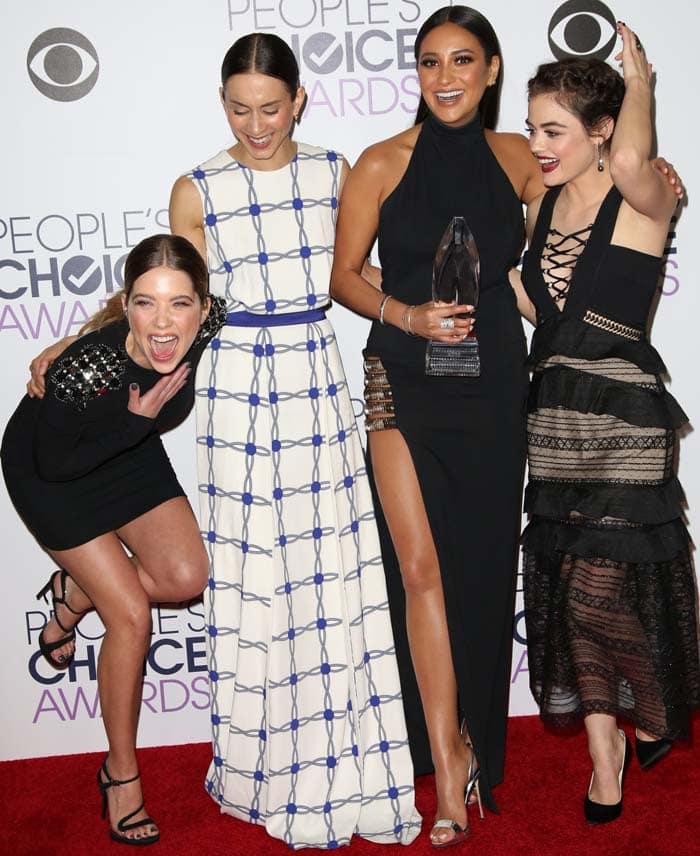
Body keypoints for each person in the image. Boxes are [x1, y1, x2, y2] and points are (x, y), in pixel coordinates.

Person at [166, 32, 420, 849]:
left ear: (299, 101)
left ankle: (343, 752)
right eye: (239, 108)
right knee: (253, 573)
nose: (255, 123)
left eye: (270, 107)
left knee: (329, 569)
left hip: (315, 376)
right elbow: (169, 301)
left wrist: (445, 307)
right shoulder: (197, 188)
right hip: (238, 389)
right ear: (222, 104)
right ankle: (260, 760)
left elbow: (361, 276)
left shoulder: (332, 172)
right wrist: (77, 344)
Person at [330, 5, 546, 847]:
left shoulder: (523, 159)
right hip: (401, 377)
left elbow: (591, 205)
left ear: (492, 70)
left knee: (485, 569)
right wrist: (407, 316)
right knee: (417, 566)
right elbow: (344, 277)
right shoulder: (382, 162)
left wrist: (649, 172)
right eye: (429, 62)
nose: (445, 77)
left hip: (494, 382)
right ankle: (444, 768)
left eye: (462, 61)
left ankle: (467, 742)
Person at [519, 23, 699, 824]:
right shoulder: (544, 205)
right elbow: (539, 309)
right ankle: (604, 753)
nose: (537, 144)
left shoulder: (646, 193)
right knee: (563, 588)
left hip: (624, 418)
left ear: (602, 132)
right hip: (554, 421)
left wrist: (640, 83)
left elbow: (632, 159)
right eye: (531, 129)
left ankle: (652, 710)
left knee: (598, 591)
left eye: (553, 130)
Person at [2, 233, 227, 845]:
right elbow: (56, 465)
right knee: (129, 614)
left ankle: (73, 596)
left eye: (180, 304)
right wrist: (131, 413)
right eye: (146, 304)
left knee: (186, 578)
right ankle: (120, 773)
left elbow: (231, 303)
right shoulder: (87, 369)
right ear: (126, 305)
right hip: (53, 471)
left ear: (202, 309)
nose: (163, 323)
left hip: (127, 445)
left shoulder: (208, 323)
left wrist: (134, 422)